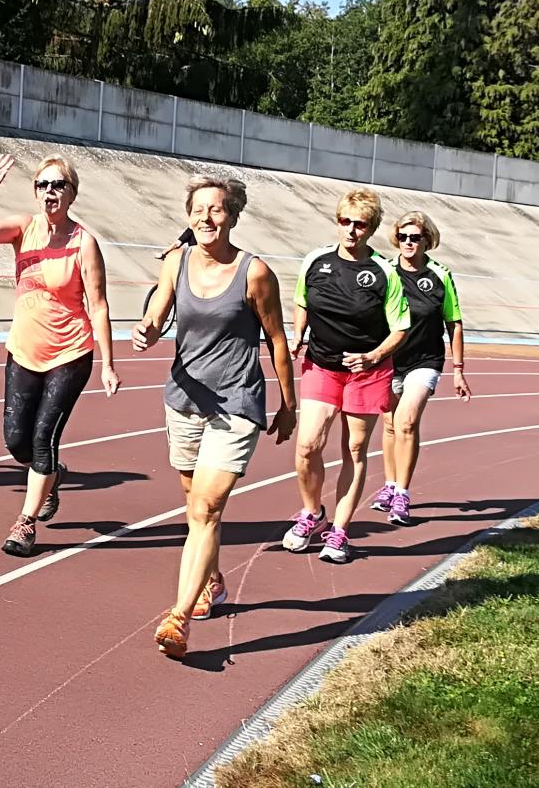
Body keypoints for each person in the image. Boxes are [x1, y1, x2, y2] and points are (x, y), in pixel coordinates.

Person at [133, 175, 297, 660]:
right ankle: (213, 579)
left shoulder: (254, 273)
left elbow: (278, 341)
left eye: (217, 210)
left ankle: (178, 618)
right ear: (188, 215)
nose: (207, 218)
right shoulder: (176, 261)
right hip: (183, 398)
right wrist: (146, 329)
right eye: (199, 209)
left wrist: (289, 406)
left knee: (205, 508)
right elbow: (160, 309)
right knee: (194, 505)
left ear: (233, 216)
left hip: (236, 403)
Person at [0, 153, 120, 556]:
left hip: (70, 353)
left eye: (58, 185)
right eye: (43, 185)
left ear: (72, 193)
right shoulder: (24, 228)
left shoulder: (84, 243)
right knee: (16, 440)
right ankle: (52, 473)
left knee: (42, 437)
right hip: (23, 349)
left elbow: (99, 304)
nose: (49, 192)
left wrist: (108, 363)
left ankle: (25, 522)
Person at [281, 189, 410, 564]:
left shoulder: (385, 273)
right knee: (307, 445)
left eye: (360, 225)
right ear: (338, 222)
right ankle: (312, 513)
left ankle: (339, 530)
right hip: (322, 364)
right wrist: (297, 335)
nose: (352, 230)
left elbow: (400, 328)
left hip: (365, 373)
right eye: (346, 222)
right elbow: (302, 300)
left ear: (371, 229)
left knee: (353, 448)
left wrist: (373, 356)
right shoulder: (316, 261)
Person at [368, 211, 472, 526]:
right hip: (389, 360)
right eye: (403, 237)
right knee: (389, 426)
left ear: (427, 240)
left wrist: (458, 369)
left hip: (425, 360)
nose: (409, 243)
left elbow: (454, 323)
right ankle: (388, 484)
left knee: (407, 422)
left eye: (415, 237)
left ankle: (402, 493)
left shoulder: (440, 275)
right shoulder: (385, 272)